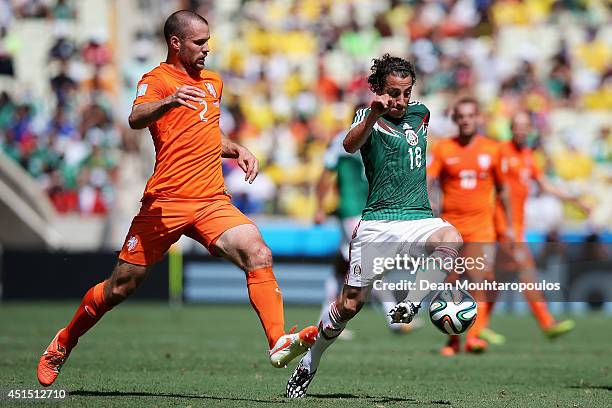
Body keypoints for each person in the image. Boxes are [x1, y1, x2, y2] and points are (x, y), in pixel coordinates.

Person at [37, 10, 317, 387]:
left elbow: (204, 133)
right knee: (121, 286)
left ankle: (277, 341)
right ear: (176, 43)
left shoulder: (212, 82)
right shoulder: (156, 79)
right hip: (165, 202)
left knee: (258, 253)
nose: (207, 49)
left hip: (210, 200)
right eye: (199, 42)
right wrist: (168, 100)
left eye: (208, 41)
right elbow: (136, 117)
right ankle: (63, 342)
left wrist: (236, 148)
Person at [286, 54, 463, 398]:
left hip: (417, 215)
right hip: (378, 222)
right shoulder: (368, 117)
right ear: (379, 90)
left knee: (452, 239)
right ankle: (311, 360)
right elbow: (349, 145)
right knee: (350, 305)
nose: (400, 101)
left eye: (406, 93)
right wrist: (373, 114)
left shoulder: (421, 114)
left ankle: (411, 303)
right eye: (393, 93)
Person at [478, 110, 589, 344]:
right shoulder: (501, 152)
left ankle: (478, 328)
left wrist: (574, 200)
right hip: (503, 225)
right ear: (510, 128)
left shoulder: (528, 155)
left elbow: (544, 184)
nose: (520, 130)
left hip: (517, 225)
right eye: (516, 125)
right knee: (526, 270)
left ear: (530, 129)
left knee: (498, 278)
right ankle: (547, 322)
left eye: (524, 126)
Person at [427, 97, 513, 356]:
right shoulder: (444, 148)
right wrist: (432, 208)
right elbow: (429, 180)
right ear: (456, 119)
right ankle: (453, 339)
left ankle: (474, 336)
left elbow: (503, 189)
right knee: (451, 283)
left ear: (478, 118)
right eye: (461, 116)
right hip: (452, 228)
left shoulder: (493, 149)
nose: (465, 120)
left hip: (481, 227)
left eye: (470, 115)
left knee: (481, 280)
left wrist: (507, 224)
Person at [315, 130, 420, 337]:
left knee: (341, 266)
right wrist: (319, 207)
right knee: (372, 264)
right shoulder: (346, 140)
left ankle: (325, 320)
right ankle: (395, 319)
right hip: (354, 211)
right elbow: (325, 175)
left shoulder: (371, 138)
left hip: (362, 210)